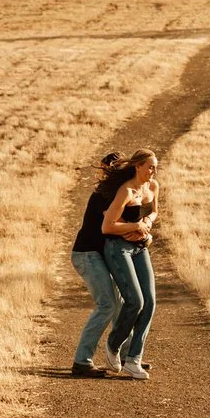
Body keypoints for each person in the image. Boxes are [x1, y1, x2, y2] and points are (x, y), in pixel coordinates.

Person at [101, 148, 159, 380]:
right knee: (135, 301)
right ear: (138, 166)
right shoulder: (126, 191)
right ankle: (113, 346)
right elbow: (107, 226)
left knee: (150, 302)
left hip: (139, 247)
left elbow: (154, 213)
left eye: (156, 166)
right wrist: (134, 227)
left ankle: (133, 360)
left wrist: (146, 224)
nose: (154, 171)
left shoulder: (152, 187)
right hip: (118, 249)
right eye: (150, 166)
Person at [69, 152, 127, 378]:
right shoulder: (104, 195)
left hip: (99, 255)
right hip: (87, 255)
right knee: (107, 305)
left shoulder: (117, 193)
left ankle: (124, 357)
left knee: (121, 304)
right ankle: (81, 362)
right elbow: (113, 223)